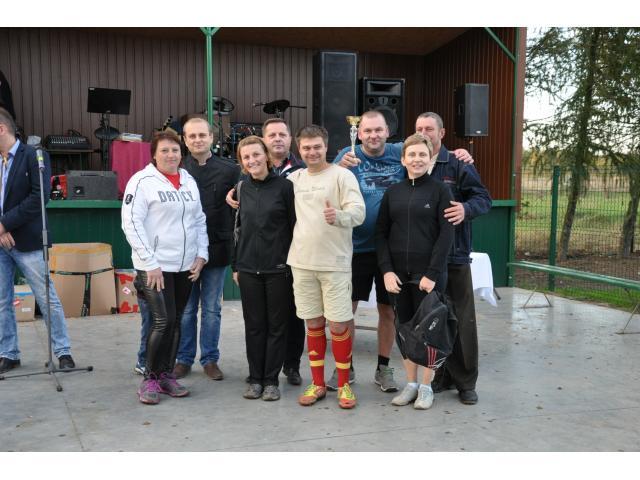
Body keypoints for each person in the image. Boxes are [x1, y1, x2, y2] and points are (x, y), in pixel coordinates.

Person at [334, 111, 473, 393]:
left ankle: (384, 368)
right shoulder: (347, 155)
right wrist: (337, 164)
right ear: (359, 134)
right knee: (347, 309)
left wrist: (458, 153)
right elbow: (324, 176)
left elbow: (427, 147)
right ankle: (344, 367)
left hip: (393, 254)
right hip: (356, 247)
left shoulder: (400, 151)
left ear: (388, 132)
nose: (373, 135)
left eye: (378, 130)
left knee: (389, 312)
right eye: (367, 131)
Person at [121, 130, 208, 405]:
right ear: (154, 155)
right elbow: (131, 224)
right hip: (155, 267)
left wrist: (201, 254)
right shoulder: (141, 182)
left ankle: (166, 375)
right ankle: (149, 378)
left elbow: (198, 220)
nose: (171, 155)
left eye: (175, 150)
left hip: (185, 265)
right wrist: (150, 263)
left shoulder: (188, 180)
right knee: (162, 321)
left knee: (177, 319)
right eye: (165, 151)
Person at [415, 112, 492, 405]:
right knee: (432, 320)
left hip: (454, 256)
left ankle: (466, 382)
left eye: (429, 128)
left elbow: (483, 198)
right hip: (424, 259)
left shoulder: (458, 163)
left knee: (462, 321)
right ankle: (438, 376)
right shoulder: (411, 163)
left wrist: (465, 209)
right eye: (419, 128)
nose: (424, 133)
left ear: (442, 133)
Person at [287, 125, 365, 409]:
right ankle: (317, 383)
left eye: (317, 147)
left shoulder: (342, 176)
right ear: (299, 149)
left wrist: (339, 215)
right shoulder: (293, 178)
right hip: (301, 262)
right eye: (306, 148)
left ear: (326, 146)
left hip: (335, 263)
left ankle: (343, 385)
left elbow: (359, 212)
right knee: (313, 324)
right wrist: (235, 194)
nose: (312, 152)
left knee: (339, 324)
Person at [375, 133, 454, 410]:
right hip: (398, 277)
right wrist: (386, 271)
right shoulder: (392, 192)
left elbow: (446, 235)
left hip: (428, 277)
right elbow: (381, 234)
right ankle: (410, 384)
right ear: (403, 159)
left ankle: (426, 386)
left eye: (422, 154)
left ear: (430, 159)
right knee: (405, 330)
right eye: (412, 154)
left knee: (430, 332)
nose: (417, 159)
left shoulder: (440, 191)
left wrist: (432, 274)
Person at [226, 118, 306, 386]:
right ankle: (255, 378)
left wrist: (292, 264)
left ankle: (271, 380)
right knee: (254, 326)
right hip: (248, 268)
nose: (252, 160)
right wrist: (235, 266)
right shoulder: (241, 188)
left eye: (256, 155)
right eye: (246, 157)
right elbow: (237, 230)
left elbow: (295, 228)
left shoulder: (285, 187)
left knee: (277, 326)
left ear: (266, 156)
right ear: (241, 161)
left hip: (278, 269)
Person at [0, 107, 75, 374]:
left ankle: (63, 352)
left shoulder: (34, 155)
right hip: (1, 241)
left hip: (28, 241)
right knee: (2, 300)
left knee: (46, 297)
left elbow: (38, 198)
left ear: (1, 129)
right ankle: (8, 353)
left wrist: (5, 224)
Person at [172, 115, 240, 381]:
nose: (198, 140)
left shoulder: (230, 170)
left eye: (203, 135)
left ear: (212, 137)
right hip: (184, 251)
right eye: (192, 136)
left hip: (217, 248)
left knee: (211, 309)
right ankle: (184, 359)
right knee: (187, 310)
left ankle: (210, 359)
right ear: (185, 140)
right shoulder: (176, 169)